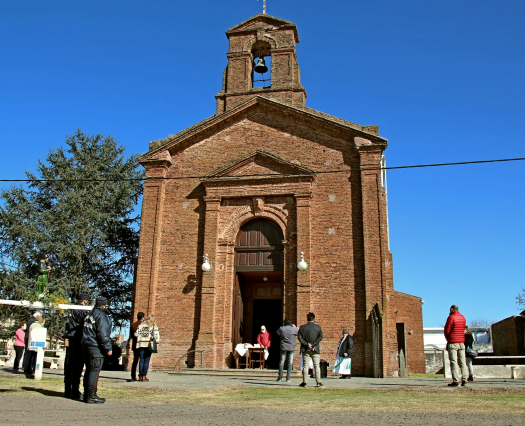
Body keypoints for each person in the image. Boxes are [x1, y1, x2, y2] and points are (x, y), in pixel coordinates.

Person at [81, 296, 112, 403]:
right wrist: (108, 348)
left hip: (86, 344)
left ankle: (86, 394)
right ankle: (91, 395)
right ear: (104, 305)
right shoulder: (101, 316)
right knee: (95, 370)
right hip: (95, 347)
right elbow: (103, 334)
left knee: (89, 370)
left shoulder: (90, 314)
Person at [63, 292, 90, 399]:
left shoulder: (71, 310)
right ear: (85, 301)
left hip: (71, 339)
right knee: (77, 366)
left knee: (69, 366)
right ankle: (74, 391)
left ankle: (67, 390)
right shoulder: (82, 311)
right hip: (78, 339)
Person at [444, 304, 468, 387]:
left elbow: (447, 329)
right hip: (461, 343)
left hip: (453, 342)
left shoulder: (451, 317)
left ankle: (456, 380)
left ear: (452, 309)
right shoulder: (463, 317)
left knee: (454, 362)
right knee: (462, 362)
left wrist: (448, 338)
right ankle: (465, 379)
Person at [298, 312, 324, 388]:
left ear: (307, 319)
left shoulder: (302, 327)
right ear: (314, 319)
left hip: (306, 349)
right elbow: (320, 337)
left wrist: (307, 344)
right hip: (315, 349)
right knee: (316, 366)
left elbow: (300, 338)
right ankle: (318, 382)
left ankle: (305, 382)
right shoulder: (318, 327)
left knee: (305, 366)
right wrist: (313, 344)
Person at [134, 315, 160, 381]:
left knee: (141, 360)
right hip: (149, 345)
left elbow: (136, 334)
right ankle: (144, 376)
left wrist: (141, 337)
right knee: (147, 360)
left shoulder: (141, 325)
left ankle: (140, 376)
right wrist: (156, 343)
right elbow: (156, 335)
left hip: (141, 344)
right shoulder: (153, 325)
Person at [24, 311, 43, 378]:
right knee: (31, 356)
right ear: (37, 317)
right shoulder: (34, 323)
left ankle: (26, 368)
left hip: (28, 339)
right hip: (33, 341)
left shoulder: (30, 321)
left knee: (27, 354)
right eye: (40, 316)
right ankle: (30, 368)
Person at [129, 312, 145, 381]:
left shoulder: (133, 325)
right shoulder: (143, 325)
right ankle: (141, 375)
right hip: (142, 345)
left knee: (135, 361)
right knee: (142, 360)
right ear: (143, 317)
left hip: (135, 344)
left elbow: (131, 335)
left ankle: (133, 376)